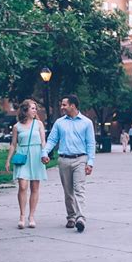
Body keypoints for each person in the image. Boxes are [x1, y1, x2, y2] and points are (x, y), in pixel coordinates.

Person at [41, 94, 96, 233]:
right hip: (64, 160)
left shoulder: (86, 122)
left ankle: (80, 218)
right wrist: (45, 152)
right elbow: (52, 140)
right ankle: (71, 217)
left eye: (64, 105)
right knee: (68, 192)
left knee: (79, 189)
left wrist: (90, 162)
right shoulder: (59, 122)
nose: (62, 107)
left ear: (73, 105)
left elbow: (90, 143)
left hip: (80, 159)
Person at [5, 99, 47, 229]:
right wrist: (8, 160)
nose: (35, 110)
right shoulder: (17, 126)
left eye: (35, 108)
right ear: (25, 110)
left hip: (36, 156)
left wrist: (44, 154)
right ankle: (22, 215)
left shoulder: (39, 124)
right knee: (23, 186)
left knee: (35, 188)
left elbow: (43, 142)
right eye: (33, 108)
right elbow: (13, 144)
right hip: (22, 156)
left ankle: (32, 216)